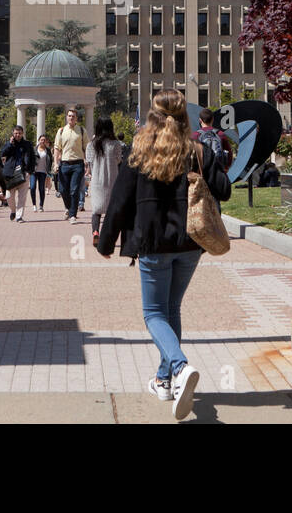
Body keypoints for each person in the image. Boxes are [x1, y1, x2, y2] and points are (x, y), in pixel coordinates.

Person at [98, 89, 230, 421]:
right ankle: (165, 380)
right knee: (171, 309)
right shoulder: (196, 150)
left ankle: (181, 368)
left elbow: (118, 204)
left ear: (151, 117)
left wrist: (105, 242)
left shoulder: (139, 154)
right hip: (189, 245)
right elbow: (225, 189)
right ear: (185, 117)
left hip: (154, 244)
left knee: (154, 314)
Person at [86, 116, 122, 247]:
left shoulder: (91, 144)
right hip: (112, 179)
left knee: (96, 210)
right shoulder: (115, 144)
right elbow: (118, 160)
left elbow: (89, 162)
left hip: (96, 180)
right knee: (111, 210)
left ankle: (95, 232)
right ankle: (108, 236)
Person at [53, 108, 89, 224]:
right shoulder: (61, 131)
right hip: (64, 164)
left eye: (73, 116)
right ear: (66, 117)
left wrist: (86, 161)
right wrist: (55, 163)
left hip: (77, 164)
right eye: (69, 116)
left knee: (74, 190)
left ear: (76, 118)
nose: (71, 118)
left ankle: (73, 214)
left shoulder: (82, 131)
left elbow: (87, 147)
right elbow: (57, 148)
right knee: (63, 190)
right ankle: (68, 208)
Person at [0, 124, 36, 222]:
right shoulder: (10, 144)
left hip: (24, 173)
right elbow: (3, 153)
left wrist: (30, 171)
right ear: (13, 134)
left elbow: (32, 158)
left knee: (22, 197)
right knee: (8, 196)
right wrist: (10, 144)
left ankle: (19, 216)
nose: (17, 135)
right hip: (11, 174)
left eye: (19, 133)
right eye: (16, 133)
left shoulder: (27, 144)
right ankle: (13, 211)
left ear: (22, 133)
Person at [32, 135, 53, 211]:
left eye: (44, 140)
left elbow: (50, 160)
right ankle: (34, 204)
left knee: (41, 189)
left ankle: (41, 205)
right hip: (34, 172)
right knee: (32, 187)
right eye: (41, 140)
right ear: (39, 140)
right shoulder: (34, 149)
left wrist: (49, 170)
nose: (43, 141)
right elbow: (30, 159)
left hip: (43, 172)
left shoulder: (47, 150)